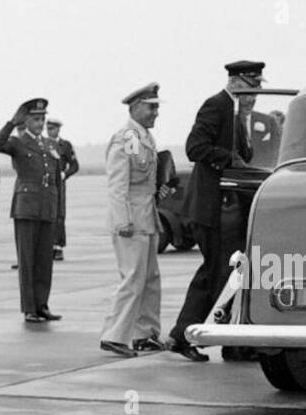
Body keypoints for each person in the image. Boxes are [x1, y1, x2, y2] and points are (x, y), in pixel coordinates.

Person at [168, 59, 261, 360]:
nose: (253, 96)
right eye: (249, 89)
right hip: (214, 209)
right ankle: (185, 335)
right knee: (216, 274)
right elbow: (195, 147)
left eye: (256, 89)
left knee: (228, 274)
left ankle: (232, 341)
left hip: (230, 208)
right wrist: (228, 158)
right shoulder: (216, 106)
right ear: (234, 83)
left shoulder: (238, 115)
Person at [100, 84, 172, 356]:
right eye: (151, 107)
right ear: (136, 106)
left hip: (146, 216)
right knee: (132, 278)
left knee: (150, 278)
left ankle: (146, 334)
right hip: (131, 219)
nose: (156, 112)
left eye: (157, 107)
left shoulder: (144, 137)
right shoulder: (128, 137)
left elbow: (145, 180)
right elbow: (117, 185)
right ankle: (114, 335)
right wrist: (122, 221)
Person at [0, 99, 62, 321]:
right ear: (26, 121)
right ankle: (29, 308)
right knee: (27, 260)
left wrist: (57, 209)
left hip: (46, 207)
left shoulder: (50, 145)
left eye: (42, 119)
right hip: (27, 207)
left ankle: (42, 304)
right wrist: (13, 122)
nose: (40, 123)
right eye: (35, 119)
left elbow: (55, 180)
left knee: (44, 261)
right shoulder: (17, 142)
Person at [45, 117, 79, 262]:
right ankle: (48, 246)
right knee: (46, 214)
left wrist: (65, 174)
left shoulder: (64, 145)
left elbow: (75, 165)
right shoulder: (43, 144)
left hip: (59, 183)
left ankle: (58, 246)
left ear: (58, 129)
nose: (50, 131)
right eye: (48, 128)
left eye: (53, 128)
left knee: (59, 214)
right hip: (45, 184)